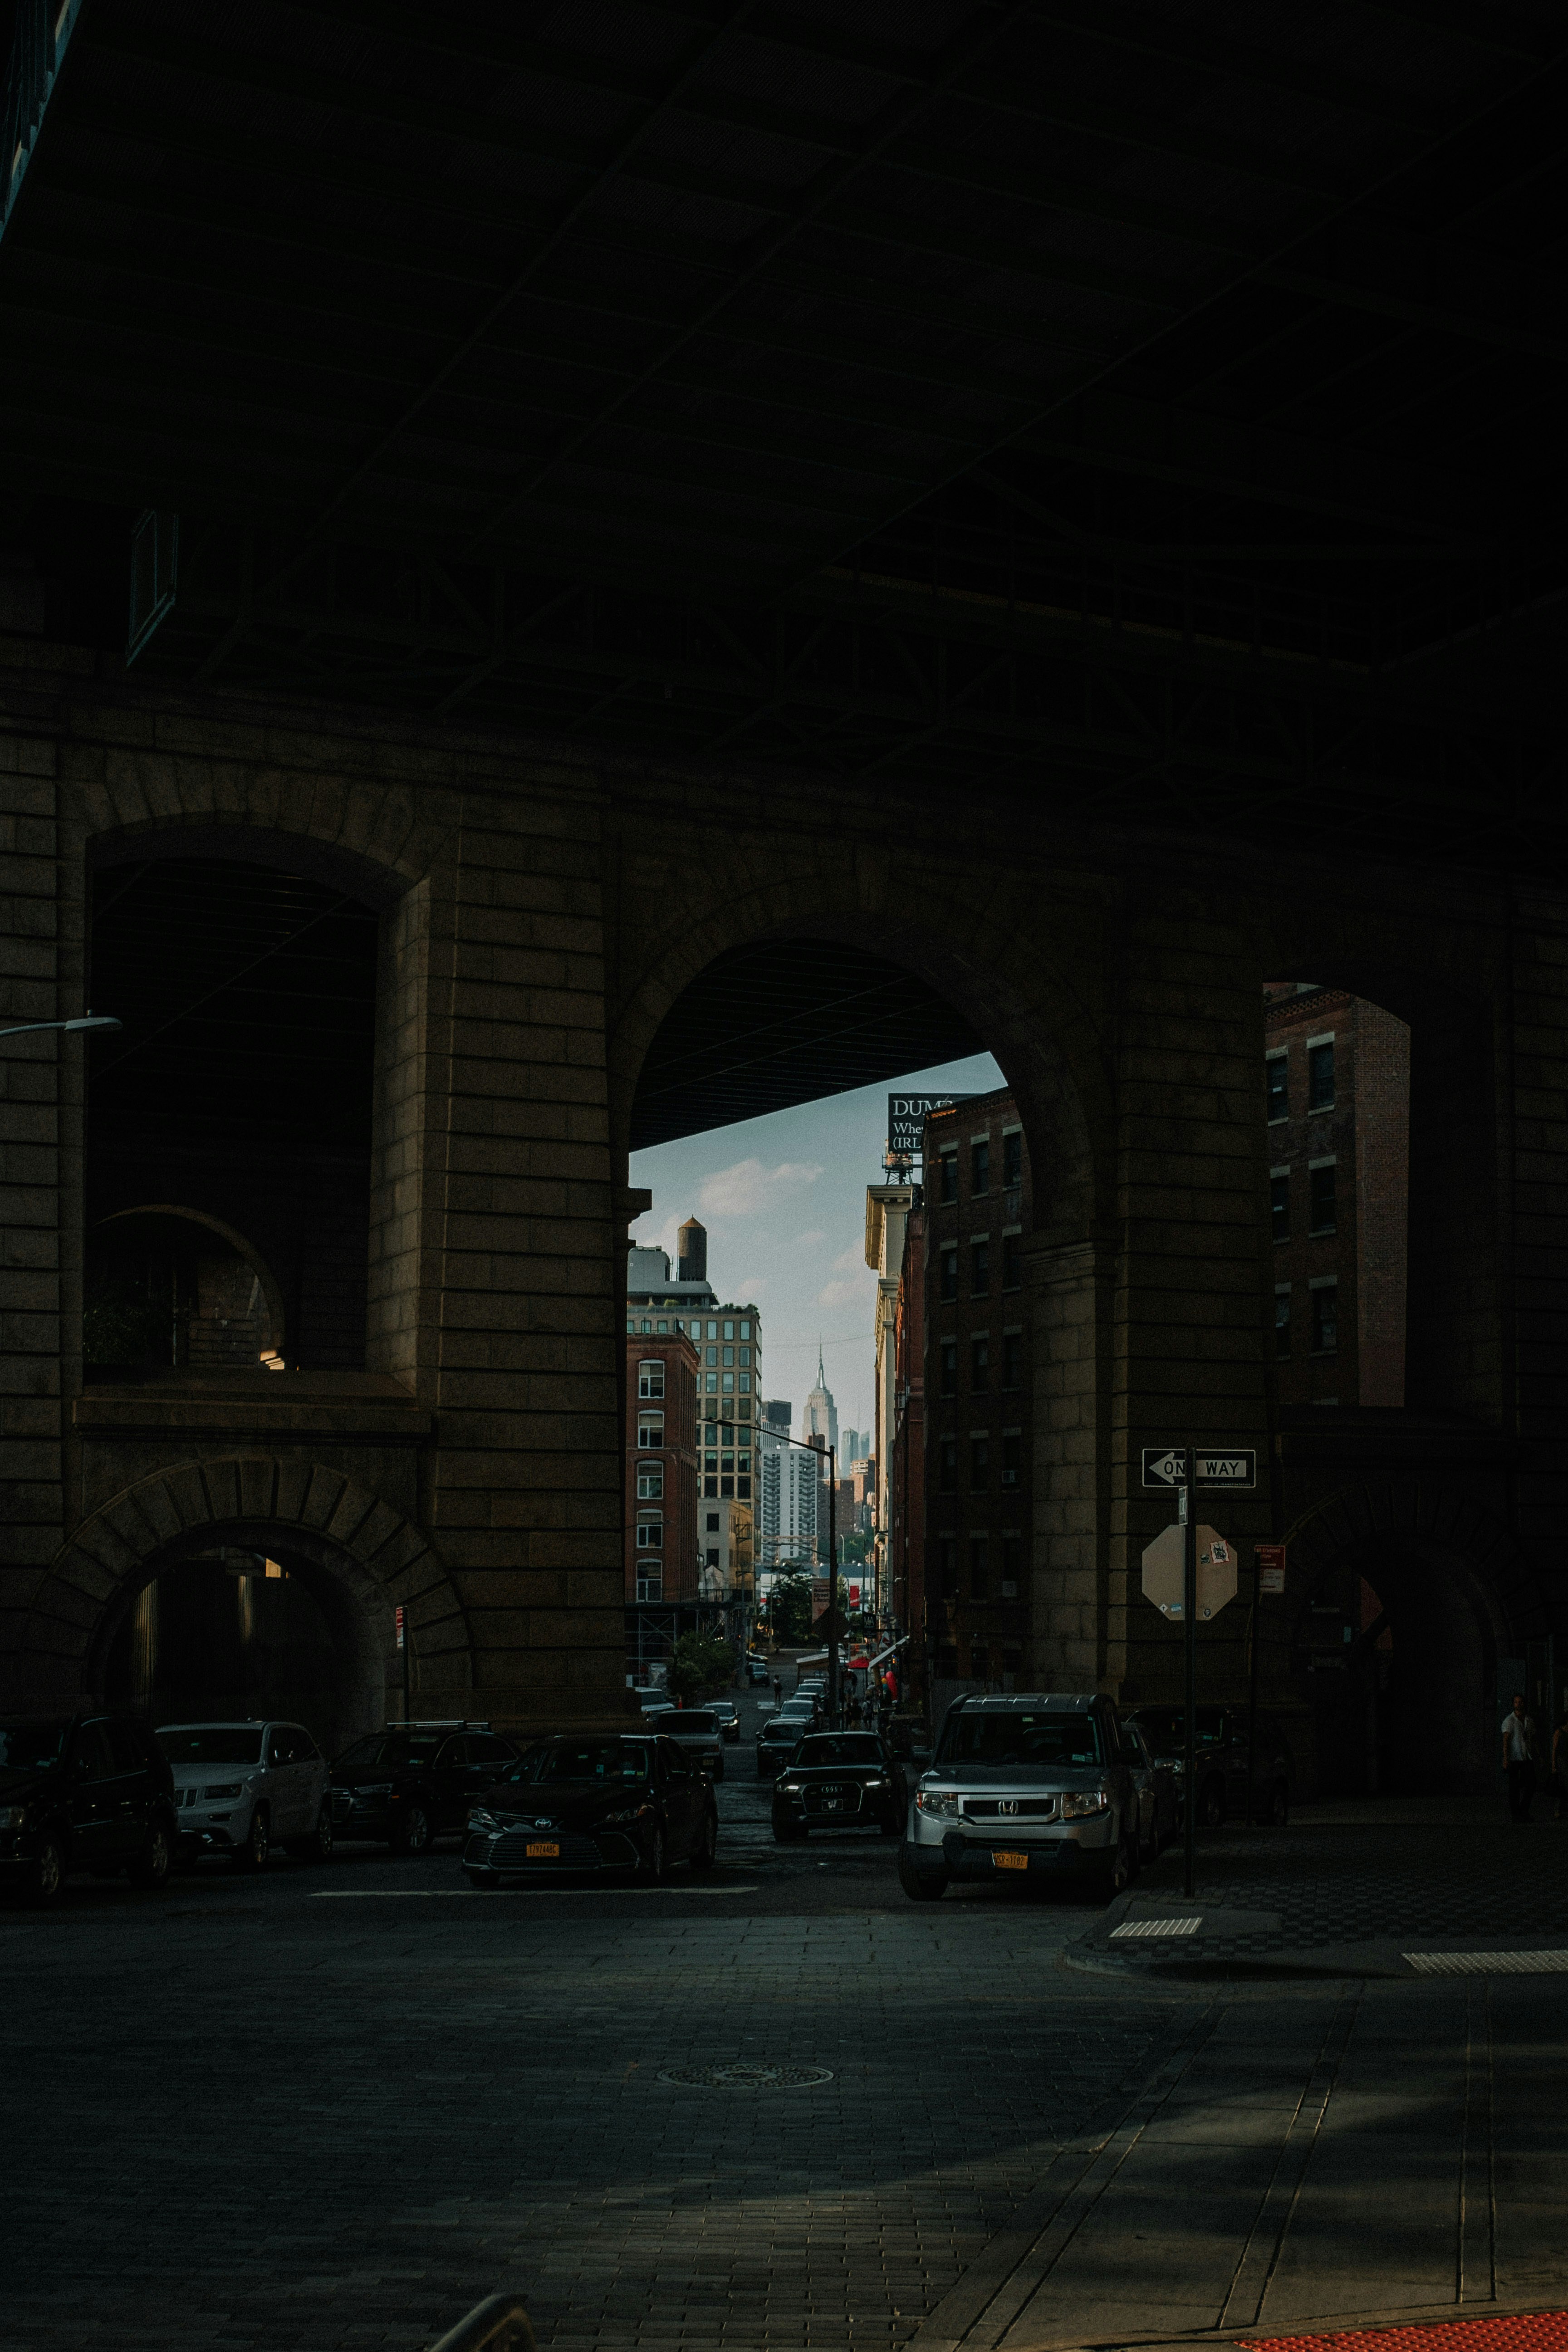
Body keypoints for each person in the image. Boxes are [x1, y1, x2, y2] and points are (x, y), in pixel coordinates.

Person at [1500, 1692, 1538, 1821]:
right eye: (1516, 1702)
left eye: (1520, 1702)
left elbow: (1533, 1739)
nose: (1518, 1705)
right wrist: (1506, 1758)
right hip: (1515, 1757)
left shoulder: (1528, 1720)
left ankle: (1523, 1810)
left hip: (1526, 1756)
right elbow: (1506, 1740)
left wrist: (1538, 1755)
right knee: (1514, 1787)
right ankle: (1517, 1813)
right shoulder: (1509, 1721)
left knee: (1531, 1783)